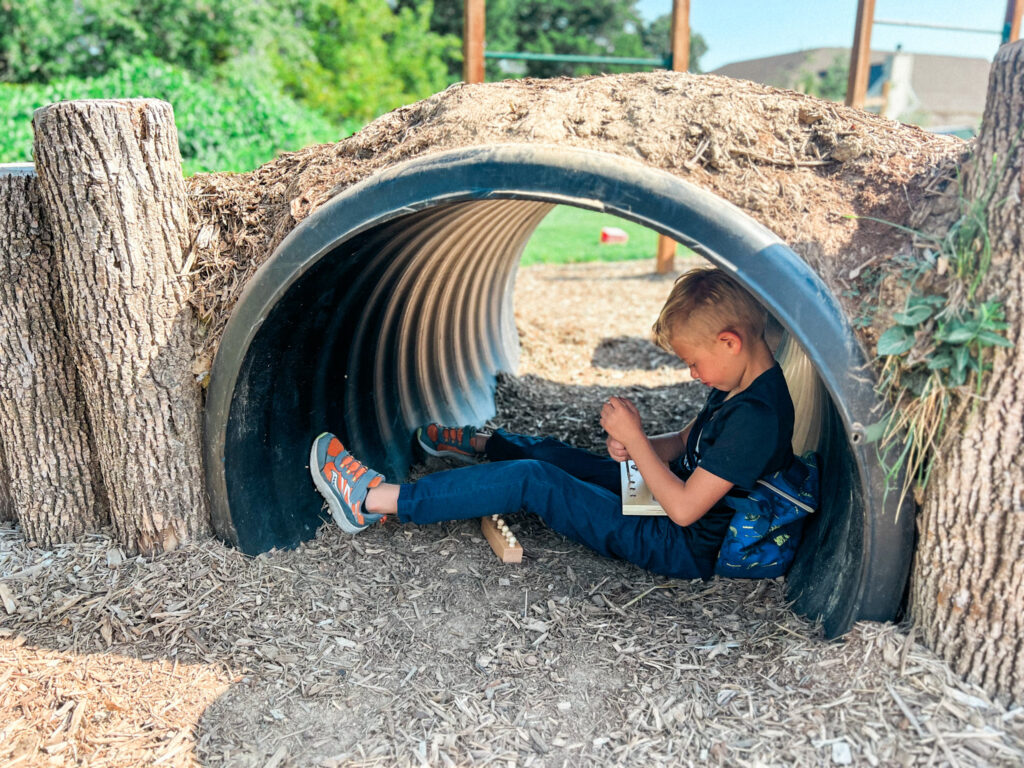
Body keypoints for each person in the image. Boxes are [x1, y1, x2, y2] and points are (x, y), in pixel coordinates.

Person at [309, 267, 795, 580]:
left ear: (730, 342)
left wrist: (636, 445)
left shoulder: (758, 419)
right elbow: (688, 441)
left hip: (679, 541)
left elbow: (687, 510)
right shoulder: (737, 384)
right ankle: (483, 444)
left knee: (534, 481)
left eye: (692, 362)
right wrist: (641, 446)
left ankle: (372, 501)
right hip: (664, 497)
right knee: (557, 458)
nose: (692, 374)